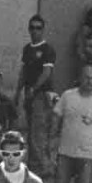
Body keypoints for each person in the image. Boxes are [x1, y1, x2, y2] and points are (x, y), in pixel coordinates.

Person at [16, 14, 58, 173]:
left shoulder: (47, 49)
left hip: (42, 94)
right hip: (29, 93)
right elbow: (23, 71)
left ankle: (41, 165)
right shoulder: (27, 49)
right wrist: (18, 92)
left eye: (38, 28)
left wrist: (34, 88)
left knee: (38, 131)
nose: (35, 31)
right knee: (31, 129)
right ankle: (35, 164)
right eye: (32, 28)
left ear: (43, 30)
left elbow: (46, 72)